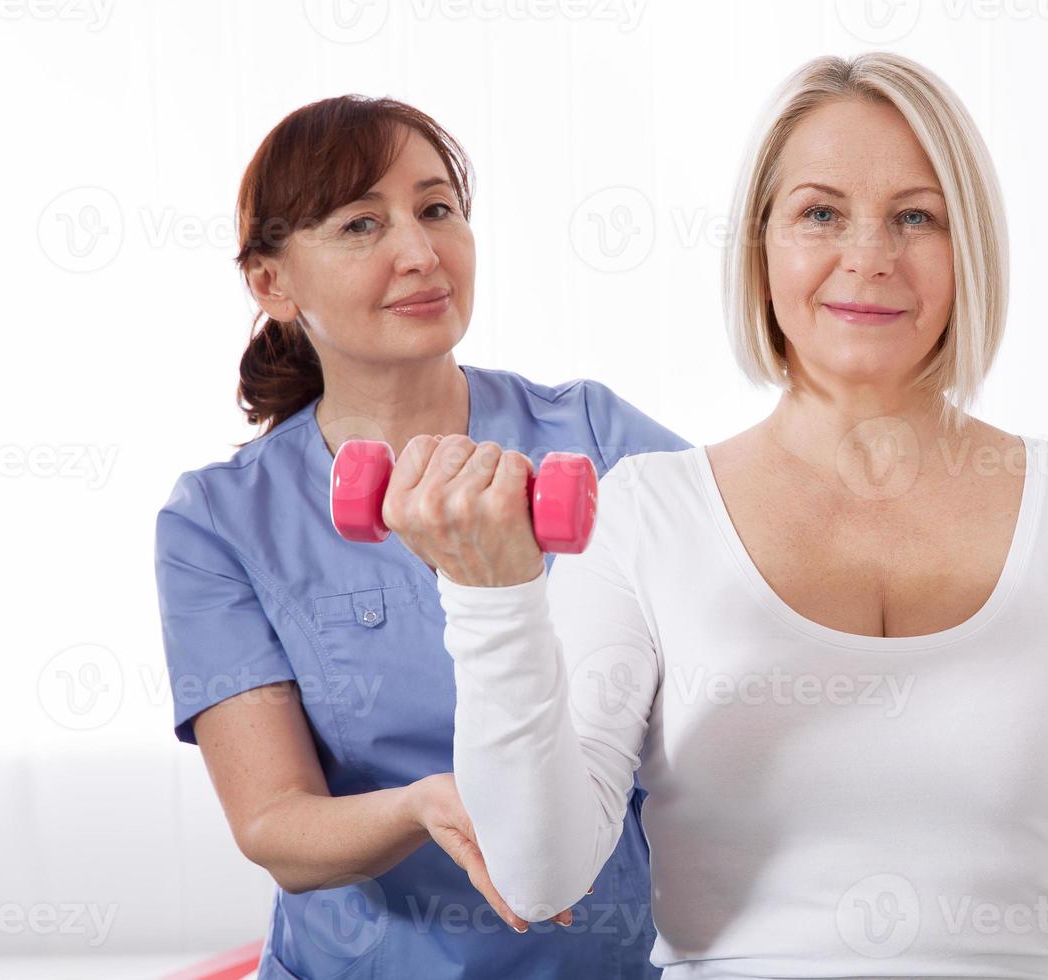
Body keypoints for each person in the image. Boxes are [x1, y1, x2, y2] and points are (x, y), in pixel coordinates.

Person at [409, 52, 1048, 978]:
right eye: (821, 212)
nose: (869, 257)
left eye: (917, 217)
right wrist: (490, 598)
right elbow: (539, 875)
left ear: (969, 248)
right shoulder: (640, 519)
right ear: (761, 244)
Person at [152, 94, 684, 979]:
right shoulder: (217, 521)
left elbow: (749, 598)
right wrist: (423, 807)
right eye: (362, 224)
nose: (420, 251)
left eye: (437, 209)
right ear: (271, 283)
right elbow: (275, 824)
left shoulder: (596, 437)